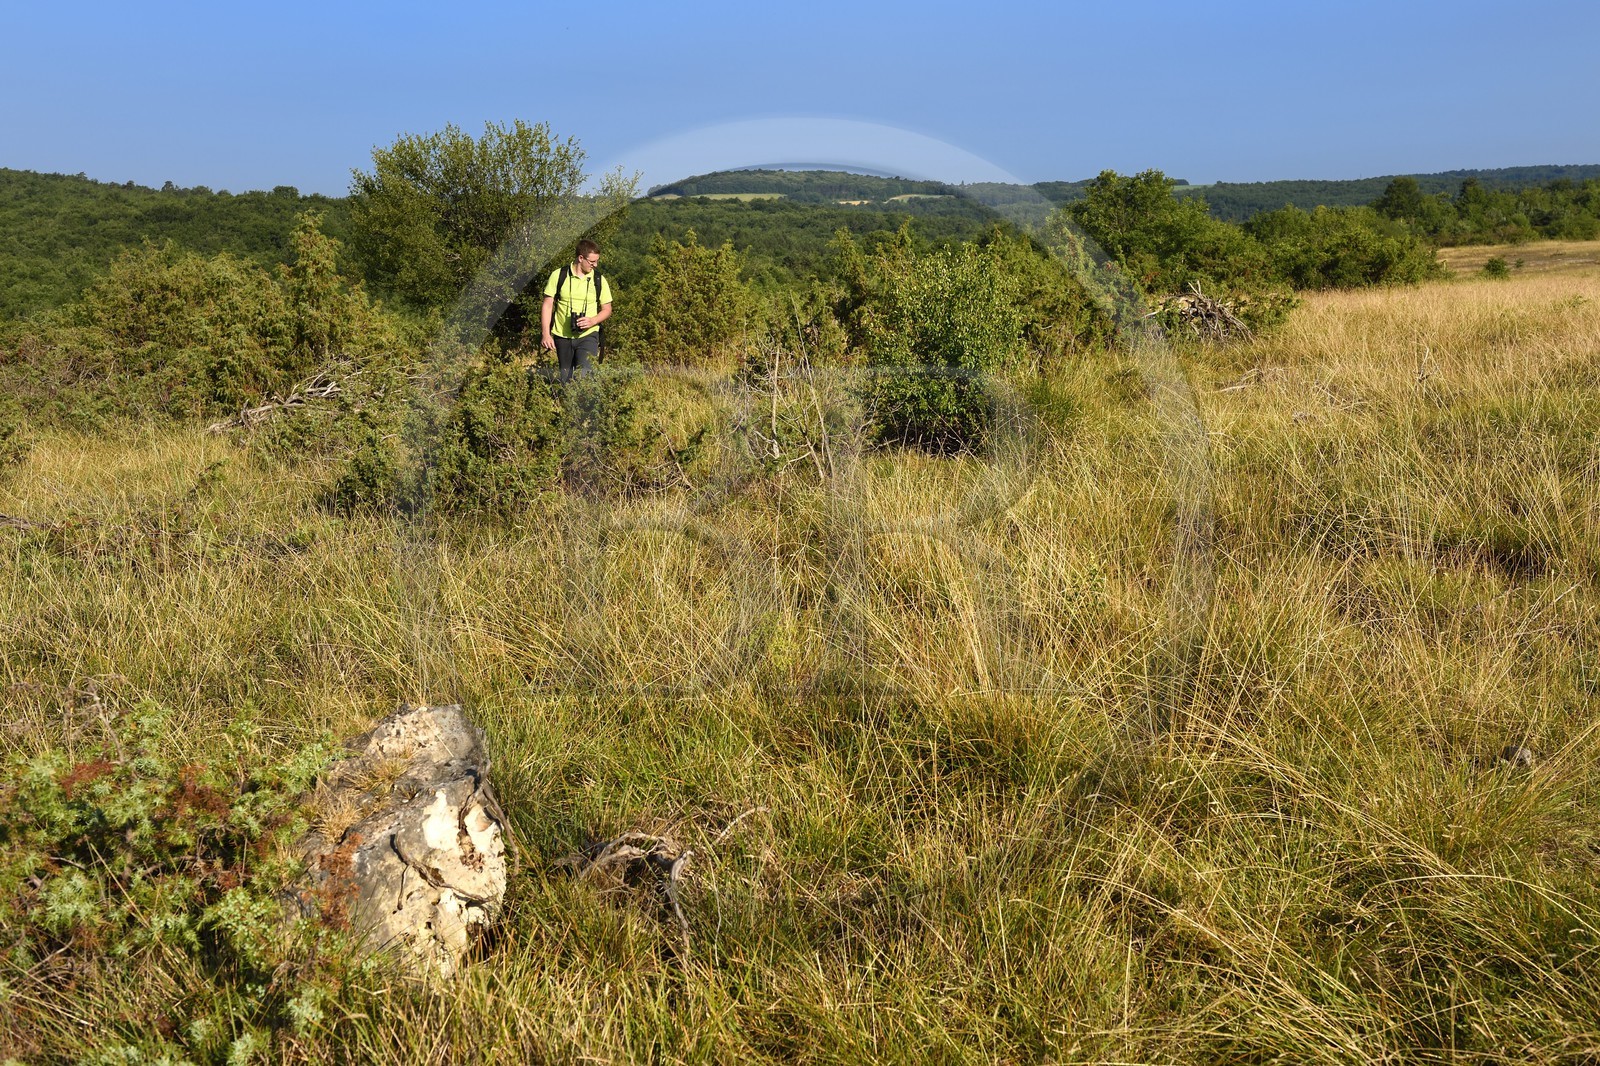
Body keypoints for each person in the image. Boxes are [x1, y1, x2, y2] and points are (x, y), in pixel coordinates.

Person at [541, 239, 613, 382]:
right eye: (592, 262)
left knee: (584, 376)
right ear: (581, 258)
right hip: (562, 336)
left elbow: (607, 309)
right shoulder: (559, 275)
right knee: (566, 380)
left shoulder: (599, 279)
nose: (595, 265)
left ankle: (585, 397)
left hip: (589, 334)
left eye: (597, 261)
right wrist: (546, 334)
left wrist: (592, 321)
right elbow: (547, 305)